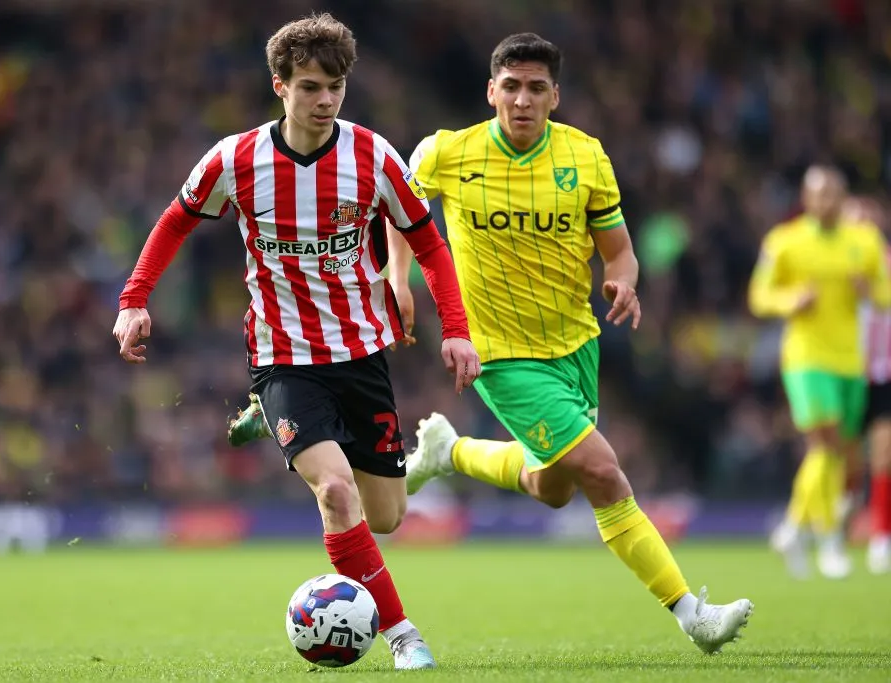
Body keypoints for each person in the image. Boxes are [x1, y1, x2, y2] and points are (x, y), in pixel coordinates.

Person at [230, 32, 754, 654]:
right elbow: (404, 215)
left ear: (555, 95)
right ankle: (691, 612)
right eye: (511, 87)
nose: (523, 100)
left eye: (536, 88)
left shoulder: (587, 157)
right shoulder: (448, 153)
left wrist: (624, 281)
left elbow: (620, 252)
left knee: (553, 485)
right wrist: (396, 276)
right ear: (491, 91)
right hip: (499, 353)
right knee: (602, 471)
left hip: (574, 347)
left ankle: (450, 453)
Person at [113, 13, 481, 670]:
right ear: (279, 85)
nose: (325, 100)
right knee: (335, 493)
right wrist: (134, 300)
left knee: (387, 516)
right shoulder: (235, 159)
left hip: (361, 354)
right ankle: (402, 635)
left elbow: (428, 239)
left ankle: (276, 425)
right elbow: (175, 222)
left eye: (335, 86)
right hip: (284, 358)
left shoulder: (373, 157)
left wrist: (455, 329)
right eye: (310, 86)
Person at [750, 168, 891, 579]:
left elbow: (885, 295)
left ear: (843, 198)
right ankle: (829, 538)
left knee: (835, 452)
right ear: (807, 199)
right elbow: (759, 296)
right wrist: (790, 300)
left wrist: (869, 291)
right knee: (826, 438)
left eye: (833, 194)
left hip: (852, 362)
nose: (826, 202)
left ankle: (794, 529)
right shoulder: (785, 242)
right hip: (806, 359)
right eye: (819, 194)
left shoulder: (864, 243)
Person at [843, 195, 891, 574]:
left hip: (881, 370)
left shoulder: (885, 264)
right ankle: (836, 529)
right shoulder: (830, 264)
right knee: (846, 460)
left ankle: (881, 536)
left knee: (883, 454)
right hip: (841, 370)